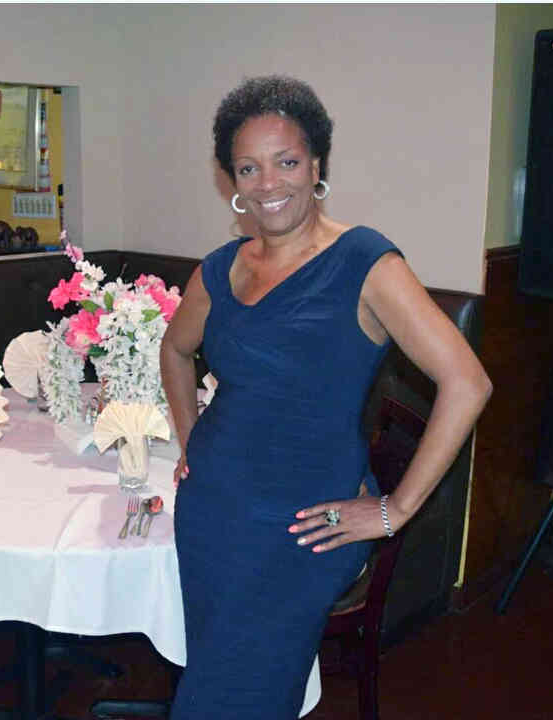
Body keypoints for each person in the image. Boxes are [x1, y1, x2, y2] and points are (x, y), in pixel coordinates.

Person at [159, 75, 492, 719]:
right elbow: (174, 350)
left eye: (286, 161)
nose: (269, 183)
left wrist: (393, 511)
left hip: (307, 528)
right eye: (248, 167)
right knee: (225, 679)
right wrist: (188, 434)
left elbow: (468, 381)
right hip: (212, 513)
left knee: (233, 697)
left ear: (317, 165)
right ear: (230, 179)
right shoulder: (220, 268)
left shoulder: (364, 260)